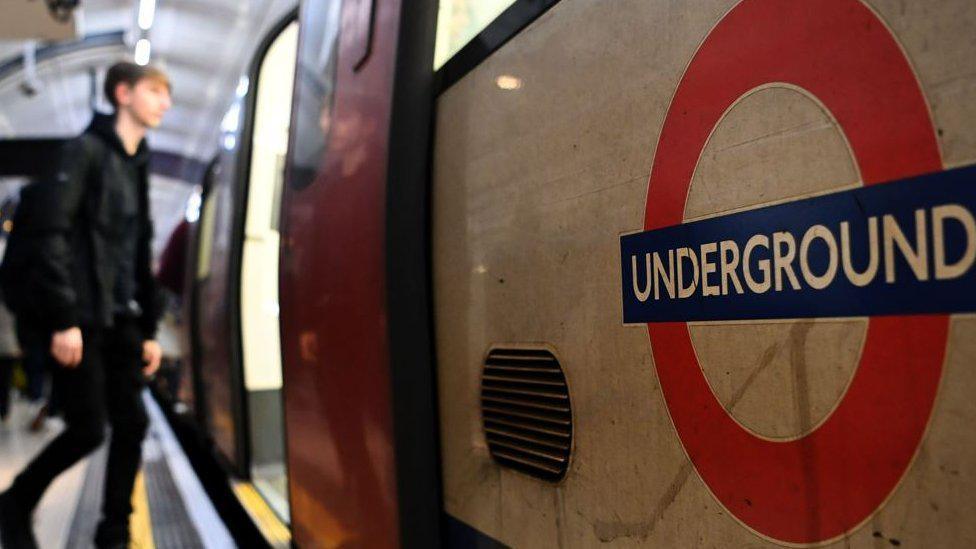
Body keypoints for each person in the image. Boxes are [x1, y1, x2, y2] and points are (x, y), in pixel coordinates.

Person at [0, 61, 171, 549]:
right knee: (90, 428)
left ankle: (114, 530)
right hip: (81, 317)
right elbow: (51, 234)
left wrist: (152, 329)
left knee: (133, 423)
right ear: (123, 93)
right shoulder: (84, 153)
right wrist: (62, 319)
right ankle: (16, 501)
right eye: (156, 92)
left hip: (118, 318)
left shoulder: (137, 165)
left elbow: (139, 255)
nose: (166, 103)